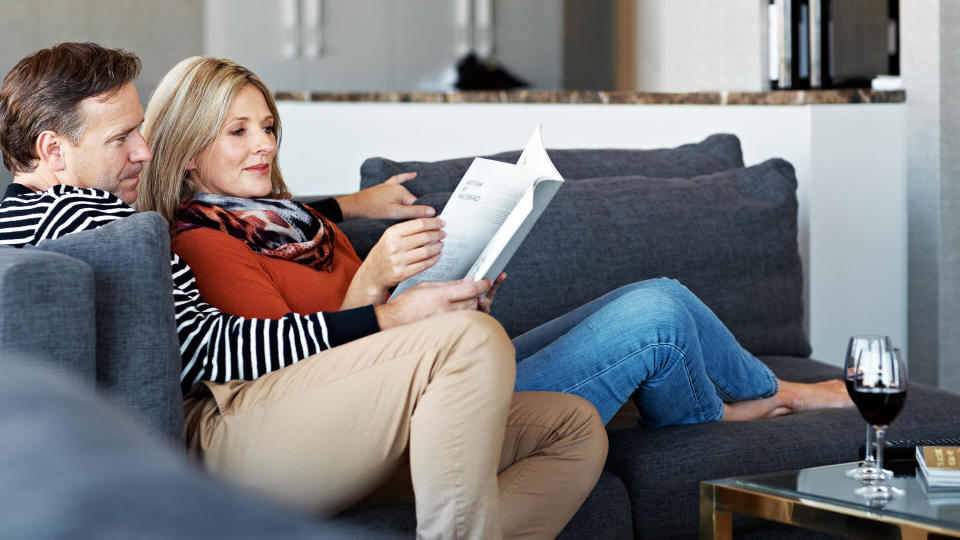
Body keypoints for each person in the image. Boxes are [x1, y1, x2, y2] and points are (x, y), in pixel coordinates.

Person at [0, 43, 608, 540]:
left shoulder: (48, 217)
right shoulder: (87, 217)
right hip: (219, 436)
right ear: (53, 151)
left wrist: (347, 207)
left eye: (142, 132)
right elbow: (217, 352)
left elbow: (237, 213)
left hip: (277, 423)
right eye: (122, 139)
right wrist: (393, 316)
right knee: (470, 341)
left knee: (574, 429)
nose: (144, 150)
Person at [139, 55, 853, 432]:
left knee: (662, 295)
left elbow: (339, 271)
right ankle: (746, 408)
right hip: (410, 405)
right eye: (239, 131)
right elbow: (289, 387)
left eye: (268, 126)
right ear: (189, 151)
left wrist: (461, 283)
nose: (263, 144)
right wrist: (378, 279)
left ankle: (758, 396)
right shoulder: (205, 243)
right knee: (656, 324)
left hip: (447, 362)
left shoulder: (287, 220)